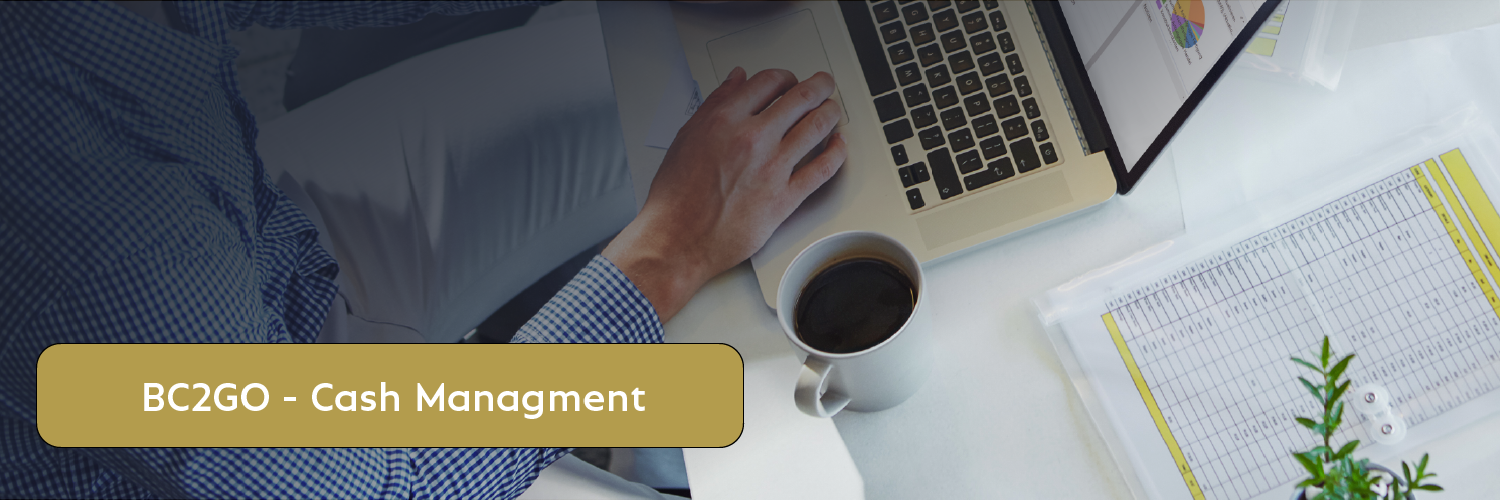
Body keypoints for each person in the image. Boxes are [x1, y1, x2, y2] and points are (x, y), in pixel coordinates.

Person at [0, 1, 845, 499]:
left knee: (689, 63)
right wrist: (668, 252)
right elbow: (389, 486)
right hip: (259, 445)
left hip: (258, 248)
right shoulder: (80, 213)